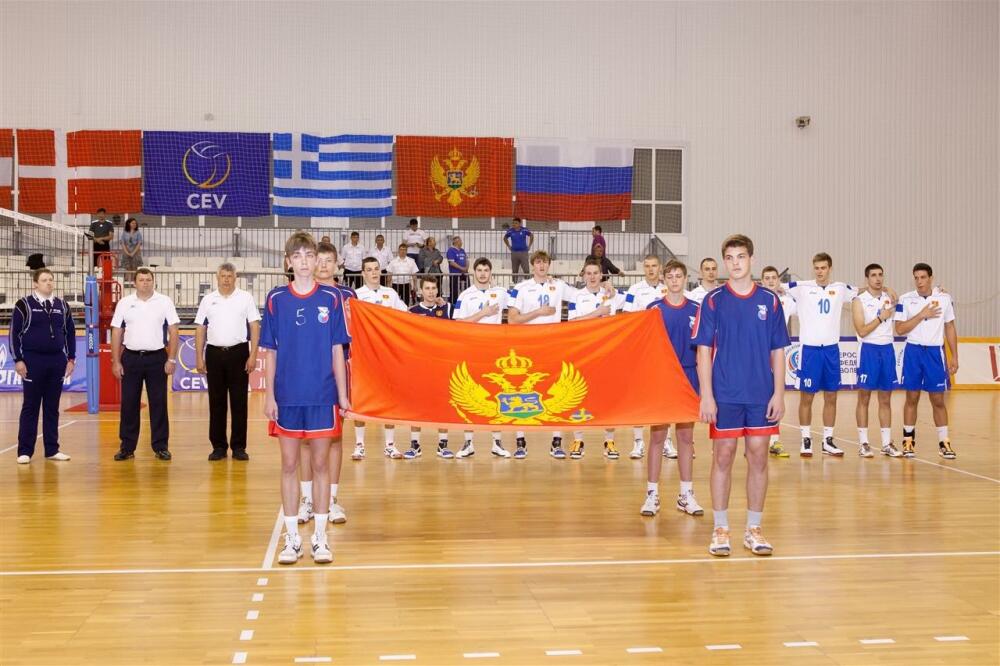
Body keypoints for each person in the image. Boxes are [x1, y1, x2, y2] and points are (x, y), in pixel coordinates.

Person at [693, 234, 789, 557]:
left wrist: (779, 393)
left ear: (752, 259)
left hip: (761, 393)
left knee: (759, 457)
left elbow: (778, 351)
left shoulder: (771, 301)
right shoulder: (714, 300)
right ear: (724, 262)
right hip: (725, 393)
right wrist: (706, 395)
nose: (735, 263)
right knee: (723, 457)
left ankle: (754, 528)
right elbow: (703, 351)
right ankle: (721, 529)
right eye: (730, 257)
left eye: (741, 256)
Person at [261, 231, 350, 565]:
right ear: (288, 262)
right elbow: (269, 351)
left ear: (316, 260)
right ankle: (292, 539)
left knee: (321, 464)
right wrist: (269, 395)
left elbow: (337, 349)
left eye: (308, 255)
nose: (303, 261)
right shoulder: (276, 299)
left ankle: (320, 539)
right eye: (296, 255)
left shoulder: (331, 299)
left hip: (323, 394)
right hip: (287, 396)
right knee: (288, 464)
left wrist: (342, 395)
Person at [294, 242, 354, 525]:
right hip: (307, 373)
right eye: (321, 260)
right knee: (306, 438)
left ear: (337, 264)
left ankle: (331, 499)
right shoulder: (302, 295)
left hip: (338, 370)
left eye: (330, 260)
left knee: (335, 437)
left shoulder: (347, 296)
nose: (324, 265)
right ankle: (307, 499)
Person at [643, 260, 703, 517]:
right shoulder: (653, 309)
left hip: (689, 376)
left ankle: (686, 494)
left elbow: (705, 349)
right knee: (657, 437)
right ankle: (652, 494)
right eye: (671, 276)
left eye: (679, 276)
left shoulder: (697, 309)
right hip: (662, 377)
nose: (675, 280)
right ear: (665, 279)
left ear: (685, 278)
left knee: (686, 438)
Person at [786, 253, 857, 457]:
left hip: (832, 350)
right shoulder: (801, 287)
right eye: (816, 268)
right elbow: (774, 285)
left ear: (830, 268)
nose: (819, 271)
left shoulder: (841, 288)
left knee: (831, 396)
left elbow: (865, 291)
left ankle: (828, 440)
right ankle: (806, 439)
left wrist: (888, 290)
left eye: (823, 268)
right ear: (813, 268)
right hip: (810, 350)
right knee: (806, 396)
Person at [508, 250, 576, 460]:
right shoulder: (520, 288)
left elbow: (583, 295)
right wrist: (538, 312)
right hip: (527, 344)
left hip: (552, 343)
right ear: (532, 265)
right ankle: (520, 441)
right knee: (521, 389)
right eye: (538, 262)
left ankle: (556, 442)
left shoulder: (559, 285)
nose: (542, 266)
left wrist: (607, 288)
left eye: (545, 262)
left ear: (549, 265)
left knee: (554, 390)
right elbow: (512, 319)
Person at [110, 268, 180, 461]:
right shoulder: (125, 303)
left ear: (153, 282)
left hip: (157, 358)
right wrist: (116, 361)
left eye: (148, 280)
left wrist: (171, 358)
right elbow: (116, 332)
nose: (145, 283)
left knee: (159, 404)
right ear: (135, 283)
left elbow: (174, 331)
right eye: (141, 280)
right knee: (129, 404)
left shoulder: (164, 302)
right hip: (131, 358)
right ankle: (127, 447)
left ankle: (160, 446)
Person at [194, 262, 261, 462]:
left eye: (229, 276)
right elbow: (200, 329)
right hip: (214, 353)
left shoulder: (245, 298)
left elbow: (255, 326)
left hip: (239, 352)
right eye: (222, 276)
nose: (226, 279)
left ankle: (239, 447)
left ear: (235, 278)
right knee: (217, 402)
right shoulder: (208, 300)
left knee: (240, 402)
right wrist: (199, 356)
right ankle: (219, 447)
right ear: (217, 277)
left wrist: (253, 354)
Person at [11, 268, 76, 464]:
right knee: (30, 406)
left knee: (52, 407)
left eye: (51, 280)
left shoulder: (62, 305)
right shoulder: (23, 305)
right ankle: (24, 451)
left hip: (56, 361)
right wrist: (18, 360)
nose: (49, 283)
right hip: (32, 361)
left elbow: (70, 333)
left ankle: (52, 449)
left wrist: (71, 359)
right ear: (35, 284)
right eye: (44, 280)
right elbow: (14, 334)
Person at [894, 263, 958, 460]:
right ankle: (908, 440)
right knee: (911, 397)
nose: (919, 281)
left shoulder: (945, 298)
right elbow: (900, 329)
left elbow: (950, 327)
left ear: (930, 278)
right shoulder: (905, 299)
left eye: (923, 277)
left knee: (938, 400)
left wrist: (954, 355)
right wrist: (921, 315)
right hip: (913, 352)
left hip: (934, 353)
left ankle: (944, 442)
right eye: (916, 278)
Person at [453, 257, 511, 459]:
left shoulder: (502, 293)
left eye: (486, 270)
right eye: (479, 270)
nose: (483, 273)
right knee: (469, 394)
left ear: (491, 272)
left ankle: (497, 442)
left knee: (497, 394)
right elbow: (457, 323)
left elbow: (522, 299)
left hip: (494, 349)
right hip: (471, 349)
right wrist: (482, 313)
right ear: (474, 272)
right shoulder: (465, 295)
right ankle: (468, 442)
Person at [354, 256, 409, 460]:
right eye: (369, 269)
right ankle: (359, 445)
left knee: (389, 398)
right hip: (365, 354)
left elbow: (405, 316)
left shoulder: (391, 293)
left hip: (387, 353)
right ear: (363, 273)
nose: (374, 272)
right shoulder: (356, 295)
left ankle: (390, 444)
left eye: (376, 269)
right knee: (362, 399)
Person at [565, 259, 620, 460]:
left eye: (595, 273)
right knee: (580, 396)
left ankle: (610, 440)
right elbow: (571, 323)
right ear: (583, 275)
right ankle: (578, 440)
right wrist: (597, 313)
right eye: (588, 273)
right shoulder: (576, 297)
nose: (592, 276)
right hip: (584, 352)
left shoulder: (612, 295)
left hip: (607, 352)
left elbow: (634, 309)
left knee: (608, 397)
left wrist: (612, 291)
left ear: (601, 274)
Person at [853, 263, 903, 458]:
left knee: (886, 398)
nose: (878, 278)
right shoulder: (859, 300)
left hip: (887, 350)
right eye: (873, 275)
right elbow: (862, 330)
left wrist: (938, 291)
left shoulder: (889, 298)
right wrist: (881, 318)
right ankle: (863, 443)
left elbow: (904, 299)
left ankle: (886, 443)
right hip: (869, 350)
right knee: (864, 397)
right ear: (867, 279)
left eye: (881, 275)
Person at [622, 255, 669, 460]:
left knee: (665, 393)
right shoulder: (634, 290)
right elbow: (625, 316)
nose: (651, 270)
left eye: (654, 266)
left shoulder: (669, 287)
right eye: (647, 266)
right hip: (642, 346)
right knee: (640, 394)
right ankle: (638, 441)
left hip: (666, 347)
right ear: (644, 269)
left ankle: (666, 441)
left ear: (660, 268)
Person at [405, 276, 455, 459]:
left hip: (441, 364)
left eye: (434, 288)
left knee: (442, 405)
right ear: (420, 291)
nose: (431, 292)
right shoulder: (411, 311)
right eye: (427, 288)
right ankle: (415, 445)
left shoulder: (447, 308)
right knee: (417, 406)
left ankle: (443, 445)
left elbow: (459, 329)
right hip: (420, 365)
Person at [759, 266, 796, 457]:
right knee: (759, 395)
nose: (771, 281)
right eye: (767, 278)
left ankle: (775, 441)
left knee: (776, 394)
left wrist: (787, 289)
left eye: (774, 278)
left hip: (778, 354)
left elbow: (809, 303)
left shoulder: (787, 302)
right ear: (762, 281)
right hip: (758, 355)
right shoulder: (756, 299)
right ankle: (756, 440)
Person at [119, 217, 143, 284]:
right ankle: (128, 282)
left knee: (135, 267)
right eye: (133, 223)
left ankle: (134, 282)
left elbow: (139, 243)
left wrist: (133, 253)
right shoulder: (124, 232)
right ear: (129, 224)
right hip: (126, 252)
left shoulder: (138, 233)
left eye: (135, 223)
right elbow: (122, 243)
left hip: (136, 253)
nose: (134, 224)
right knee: (127, 268)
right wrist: (127, 252)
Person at [446, 236, 470, 302]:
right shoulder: (451, 250)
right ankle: (453, 304)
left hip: (464, 273)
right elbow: (451, 263)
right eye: (460, 241)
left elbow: (467, 260)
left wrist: (466, 268)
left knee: (467, 288)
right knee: (454, 291)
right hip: (455, 274)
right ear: (455, 242)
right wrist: (462, 268)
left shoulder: (462, 250)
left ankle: (466, 302)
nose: (461, 242)